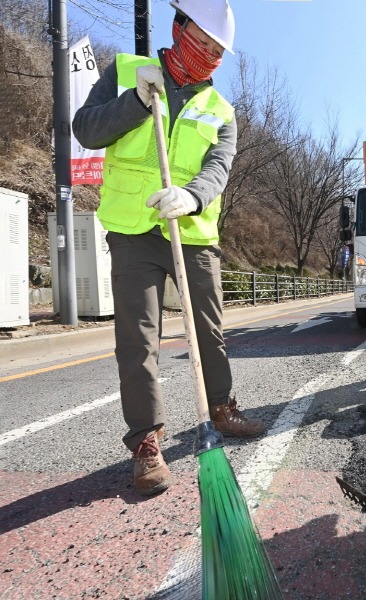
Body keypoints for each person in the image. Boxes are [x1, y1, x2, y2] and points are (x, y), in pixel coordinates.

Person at [72, 0, 265, 496]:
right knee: (138, 339)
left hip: (193, 231)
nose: (207, 56)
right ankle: (146, 441)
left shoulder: (221, 110)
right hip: (134, 228)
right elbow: (86, 129)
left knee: (209, 330)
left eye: (217, 52)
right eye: (201, 42)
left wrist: (193, 196)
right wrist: (135, 102)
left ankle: (220, 408)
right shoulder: (126, 72)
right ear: (179, 28)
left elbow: (218, 168)